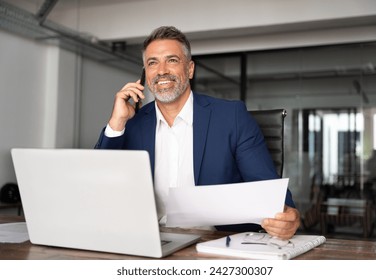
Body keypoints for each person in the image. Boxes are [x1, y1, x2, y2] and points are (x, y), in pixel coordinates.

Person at [95, 26, 300, 239]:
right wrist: (116, 122)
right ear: (146, 75)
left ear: (190, 69)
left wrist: (288, 215)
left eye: (172, 60)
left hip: (214, 243)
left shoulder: (231, 116)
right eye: (152, 63)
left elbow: (267, 188)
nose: (162, 70)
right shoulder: (132, 122)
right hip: (146, 239)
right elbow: (99, 188)